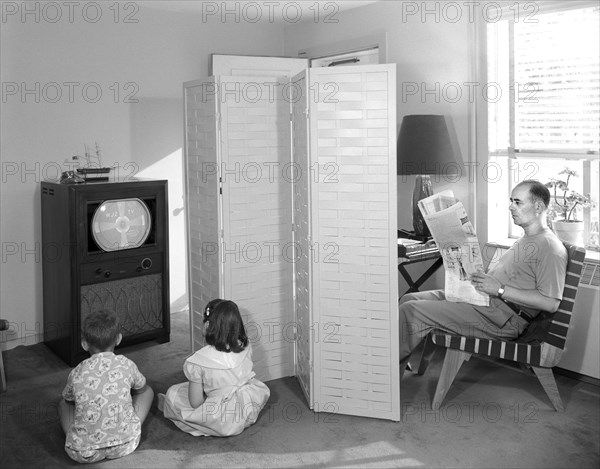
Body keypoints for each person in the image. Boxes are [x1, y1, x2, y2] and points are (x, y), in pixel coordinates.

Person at [399, 180, 568, 366]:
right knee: (409, 300)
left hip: (499, 319)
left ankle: (387, 373)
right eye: (511, 201)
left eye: (518, 202)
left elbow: (551, 303)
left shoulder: (550, 247)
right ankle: (396, 364)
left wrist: (500, 289)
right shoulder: (527, 238)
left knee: (411, 311)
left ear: (538, 206)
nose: (511, 207)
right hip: (484, 301)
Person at [159, 299, 270, 437]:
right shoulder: (244, 344)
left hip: (222, 417)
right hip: (249, 404)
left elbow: (196, 403)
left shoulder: (197, 361)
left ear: (207, 325)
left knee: (173, 392)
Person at [58, 309, 154, 464]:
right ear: (118, 339)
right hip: (126, 444)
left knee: (63, 403)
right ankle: (129, 428)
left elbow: (68, 400)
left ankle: (76, 436)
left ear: (84, 344)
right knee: (148, 391)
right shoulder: (127, 364)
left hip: (82, 452)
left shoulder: (77, 371)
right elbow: (141, 389)